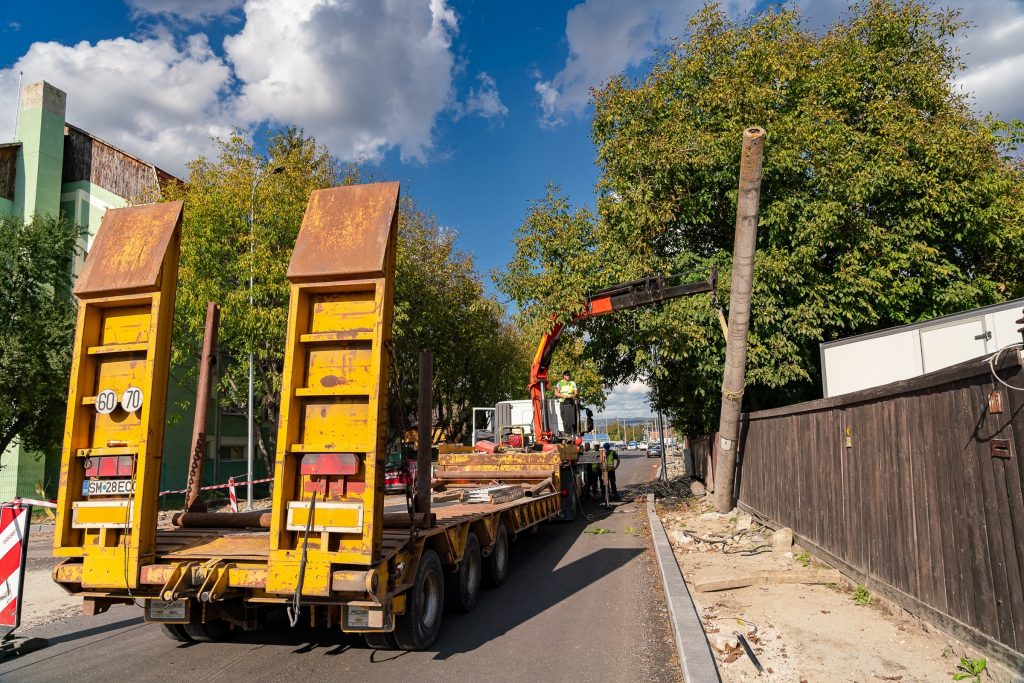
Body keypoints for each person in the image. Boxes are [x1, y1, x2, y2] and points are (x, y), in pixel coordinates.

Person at [553, 369, 579, 436]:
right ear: (564, 376)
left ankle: (573, 432)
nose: (568, 377)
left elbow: (576, 393)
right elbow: (556, 393)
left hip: (570, 401)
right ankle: (567, 433)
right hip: (563, 402)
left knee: (572, 418)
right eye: (567, 375)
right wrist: (563, 396)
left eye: (569, 375)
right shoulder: (559, 383)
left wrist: (573, 395)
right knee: (564, 418)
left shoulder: (573, 383)